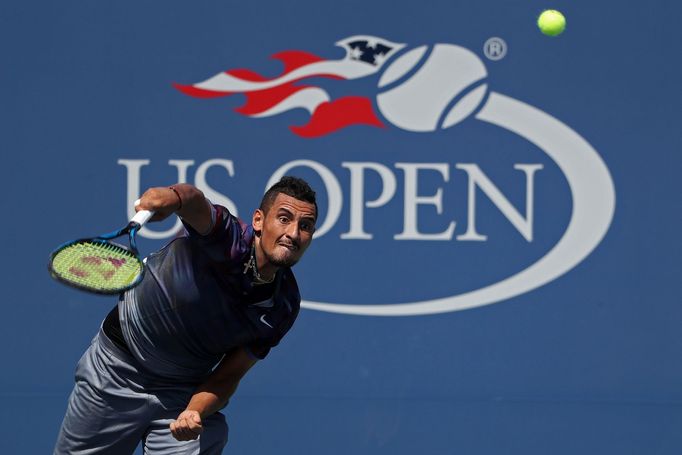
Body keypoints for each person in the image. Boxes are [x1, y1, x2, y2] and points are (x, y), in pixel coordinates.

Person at [54, 176, 318, 454]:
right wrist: (172, 197)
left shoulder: (283, 305)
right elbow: (194, 203)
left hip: (180, 394)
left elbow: (228, 376)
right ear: (258, 221)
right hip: (117, 370)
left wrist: (193, 412)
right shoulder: (228, 237)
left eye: (305, 226)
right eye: (284, 218)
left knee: (206, 435)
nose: (293, 233)